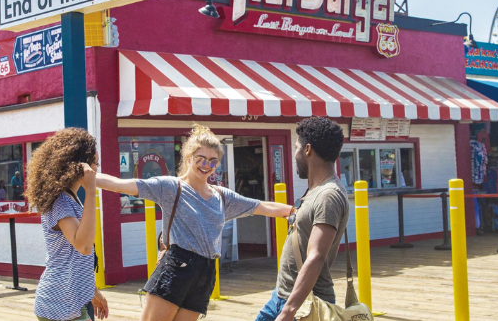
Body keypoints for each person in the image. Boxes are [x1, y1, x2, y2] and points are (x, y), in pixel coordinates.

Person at [96, 124, 294, 321]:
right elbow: (118, 184)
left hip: (205, 273)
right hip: (176, 267)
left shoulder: (222, 197)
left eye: (212, 161)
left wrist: (296, 211)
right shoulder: (171, 187)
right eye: (201, 159)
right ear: (189, 158)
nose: (206, 165)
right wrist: (85, 176)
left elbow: (263, 207)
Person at [255, 116, 349, 321]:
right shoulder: (316, 191)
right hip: (283, 296)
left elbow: (316, 256)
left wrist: (289, 310)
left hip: (306, 305)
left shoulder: (328, 195)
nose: (295, 154)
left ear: (307, 150)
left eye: (296, 148)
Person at [26, 128, 109, 321]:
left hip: (71, 302)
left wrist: (93, 291)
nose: (97, 168)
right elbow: (83, 246)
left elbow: (76, 259)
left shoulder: (70, 200)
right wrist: (90, 190)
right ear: (80, 166)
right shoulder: (60, 203)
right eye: (95, 162)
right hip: (59, 305)